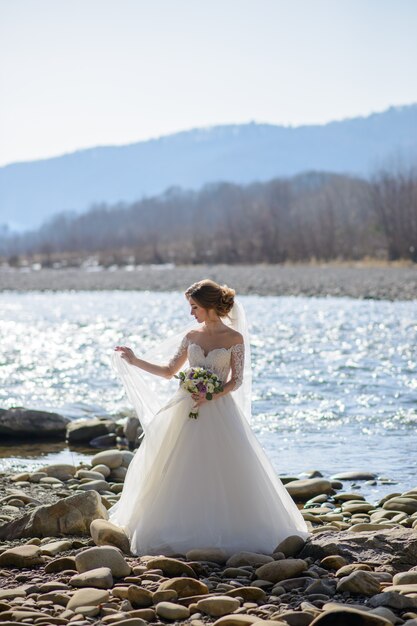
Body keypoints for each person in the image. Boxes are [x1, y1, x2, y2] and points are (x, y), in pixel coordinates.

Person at [109, 279, 308, 556]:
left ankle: (226, 530)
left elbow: (236, 381)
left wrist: (211, 395)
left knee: (222, 467)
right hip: (184, 407)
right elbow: (169, 371)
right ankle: (172, 525)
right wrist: (134, 359)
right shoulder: (192, 335)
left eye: (194, 307)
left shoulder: (234, 339)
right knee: (174, 465)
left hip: (217, 410)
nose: (191, 313)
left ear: (209, 306)